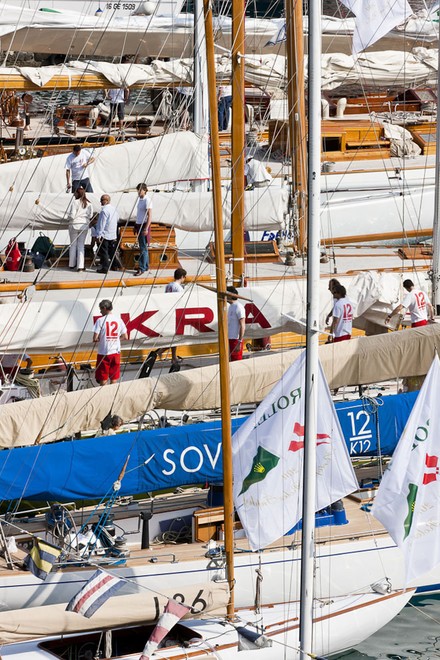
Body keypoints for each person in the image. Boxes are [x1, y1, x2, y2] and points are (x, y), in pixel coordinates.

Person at [93, 299, 128, 385]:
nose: (100, 311)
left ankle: (103, 395)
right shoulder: (119, 320)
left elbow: (95, 338)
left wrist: (102, 339)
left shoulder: (100, 320)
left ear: (104, 308)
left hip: (104, 352)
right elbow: (125, 337)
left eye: (101, 309)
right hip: (116, 352)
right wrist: (115, 339)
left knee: (103, 377)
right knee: (114, 378)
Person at [159, 268, 188, 367]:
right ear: (182, 277)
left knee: (174, 336)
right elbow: (181, 301)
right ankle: (162, 351)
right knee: (176, 337)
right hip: (176, 314)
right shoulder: (179, 288)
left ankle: (173, 357)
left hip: (168, 312)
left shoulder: (168, 286)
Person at [67, 187, 93, 272]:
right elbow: (90, 216)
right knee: (81, 246)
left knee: (73, 245)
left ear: (77, 194)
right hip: (84, 226)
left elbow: (72, 215)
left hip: (74, 224)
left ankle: (71, 264)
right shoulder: (89, 204)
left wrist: (68, 217)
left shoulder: (75, 202)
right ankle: (80, 266)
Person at [95, 194, 122, 274]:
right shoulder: (114, 209)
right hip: (113, 234)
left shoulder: (104, 211)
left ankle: (105, 268)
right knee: (112, 251)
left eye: (101, 200)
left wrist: (99, 235)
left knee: (104, 252)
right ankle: (115, 266)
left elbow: (101, 223)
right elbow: (117, 219)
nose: (100, 202)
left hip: (105, 234)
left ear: (105, 201)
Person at [133, 182, 153, 276]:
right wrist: (135, 225)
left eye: (140, 190)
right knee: (143, 247)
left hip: (144, 225)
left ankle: (142, 268)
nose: (139, 192)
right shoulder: (140, 200)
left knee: (143, 248)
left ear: (145, 190)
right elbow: (139, 214)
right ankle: (145, 266)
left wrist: (146, 229)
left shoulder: (147, 200)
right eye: (138, 190)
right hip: (139, 224)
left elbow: (149, 216)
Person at [227, 285, 246, 361]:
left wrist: (239, 342)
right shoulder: (230, 306)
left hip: (235, 339)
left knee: (236, 361)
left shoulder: (238, 307)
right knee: (230, 360)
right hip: (229, 338)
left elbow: (242, 325)